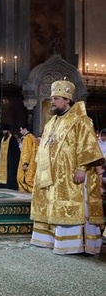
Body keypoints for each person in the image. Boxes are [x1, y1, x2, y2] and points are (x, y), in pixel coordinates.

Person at [30, 80, 104, 255]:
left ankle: (75, 244)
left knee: (75, 205)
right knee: (52, 205)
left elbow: (88, 146)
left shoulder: (81, 120)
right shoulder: (52, 122)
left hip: (73, 173)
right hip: (52, 175)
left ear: (67, 100)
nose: (52, 102)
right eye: (52, 98)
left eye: (56, 98)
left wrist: (82, 168)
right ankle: (50, 239)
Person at [0, 124, 20, 190]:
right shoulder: (3, 138)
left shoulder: (12, 138)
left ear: (8, 131)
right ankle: (1, 183)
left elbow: (15, 150)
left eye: (5, 130)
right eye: (3, 130)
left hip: (10, 159)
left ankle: (9, 184)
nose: (3, 132)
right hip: (2, 159)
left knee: (10, 172)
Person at [16, 125, 37, 193]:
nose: (20, 131)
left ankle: (27, 192)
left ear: (25, 129)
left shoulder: (27, 138)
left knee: (22, 178)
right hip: (33, 161)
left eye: (21, 129)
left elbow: (26, 151)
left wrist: (25, 163)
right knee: (31, 178)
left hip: (27, 162)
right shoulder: (32, 137)